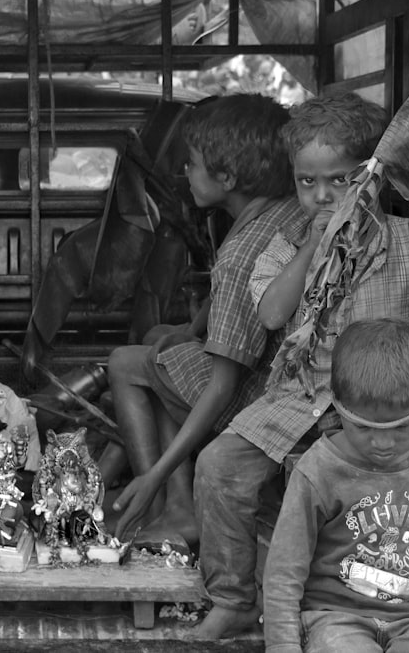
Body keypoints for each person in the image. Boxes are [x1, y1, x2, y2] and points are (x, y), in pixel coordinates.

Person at [192, 92, 409, 639]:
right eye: (307, 183)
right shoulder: (286, 245)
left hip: (374, 411)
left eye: (340, 181)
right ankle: (233, 597)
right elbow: (273, 311)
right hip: (297, 401)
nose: (323, 195)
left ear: (373, 178)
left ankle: (339, 608)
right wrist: (315, 244)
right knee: (218, 466)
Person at [107, 94, 301, 545]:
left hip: (252, 398)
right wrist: (188, 333)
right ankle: (173, 506)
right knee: (160, 340)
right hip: (276, 376)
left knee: (123, 363)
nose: (185, 174)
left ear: (228, 177)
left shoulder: (238, 256)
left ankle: (170, 506)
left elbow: (221, 387)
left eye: (192, 165)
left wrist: (156, 472)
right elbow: (224, 298)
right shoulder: (284, 207)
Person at [263, 319, 409, 653]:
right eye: (364, 427)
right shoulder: (319, 469)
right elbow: (284, 571)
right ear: (336, 404)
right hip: (333, 618)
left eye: (402, 427)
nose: (383, 443)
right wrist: (283, 646)